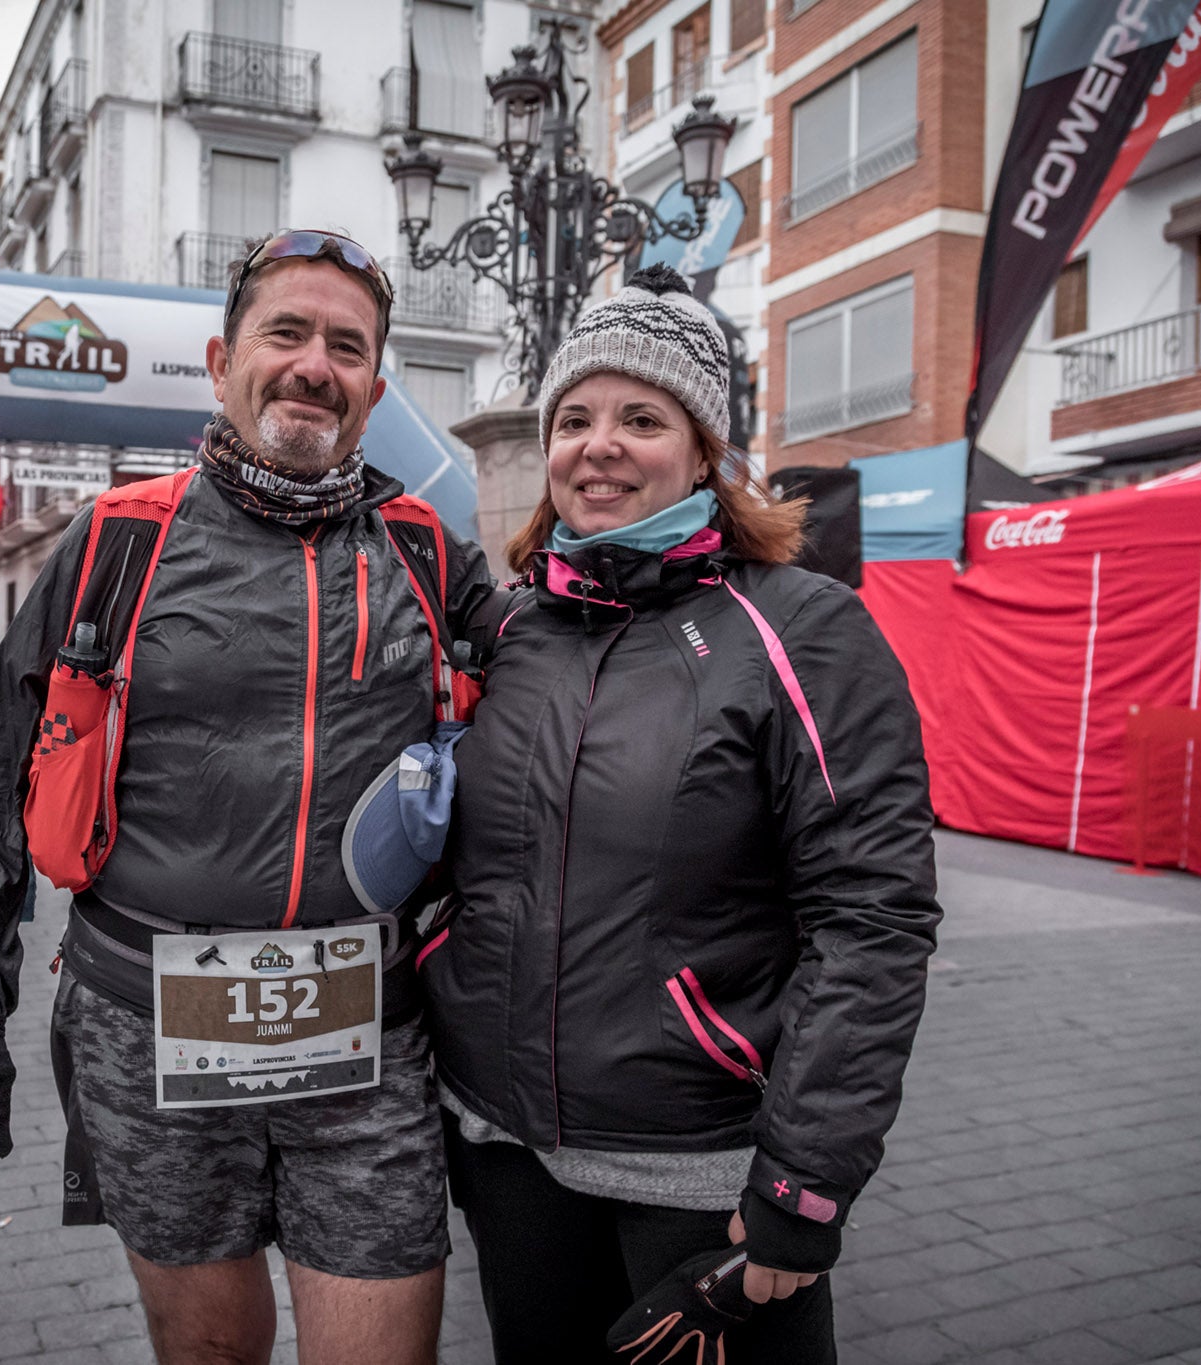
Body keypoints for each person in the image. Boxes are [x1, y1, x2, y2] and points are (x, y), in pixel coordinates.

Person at [0, 230, 495, 1365]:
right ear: (222, 360)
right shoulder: (119, 541)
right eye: (286, 332)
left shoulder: (428, 554)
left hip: (366, 1047)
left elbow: (563, 694)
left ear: (374, 390)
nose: (312, 365)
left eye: (345, 346)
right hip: (146, 1034)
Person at [419, 266, 942, 1364]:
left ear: (704, 452)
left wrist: (802, 1193)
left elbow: (872, 922)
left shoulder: (802, 631)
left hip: (699, 1172)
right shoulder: (512, 632)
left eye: (640, 418)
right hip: (504, 1150)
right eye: (573, 418)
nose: (595, 444)